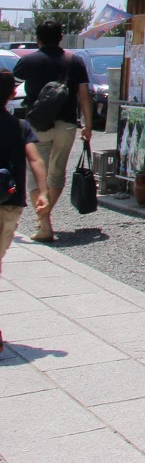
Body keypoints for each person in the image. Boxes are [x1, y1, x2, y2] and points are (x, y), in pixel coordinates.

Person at [12, 20, 92, 242]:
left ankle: (45, 225)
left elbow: (10, 86)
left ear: (37, 38)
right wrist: (88, 124)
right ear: (61, 37)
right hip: (67, 125)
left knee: (35, 175)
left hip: (37, 125)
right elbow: (84, 95)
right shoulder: (74, 61)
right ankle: (44, 218)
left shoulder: (28, 61)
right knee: (57, 173)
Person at [1, 71, 52, 345]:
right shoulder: (20, 127)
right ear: (12, 95)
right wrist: (42, 192)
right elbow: (36, 160)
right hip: (9, 202)